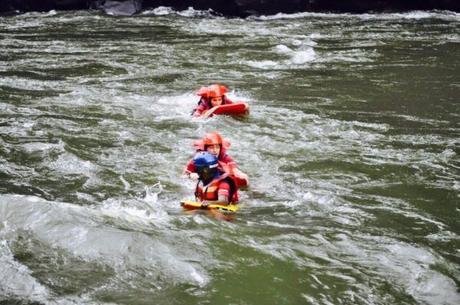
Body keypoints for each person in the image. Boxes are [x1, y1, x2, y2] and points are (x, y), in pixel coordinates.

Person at [183, 132, 249, 187]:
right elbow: (184, 176)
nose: (215, 150)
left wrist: (239, 174)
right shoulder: (197, 159)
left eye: (217, 147)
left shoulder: (225, 158)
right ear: (206, 149)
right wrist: (190, 176)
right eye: (211, 147)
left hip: (219, 179)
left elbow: (234, 169)